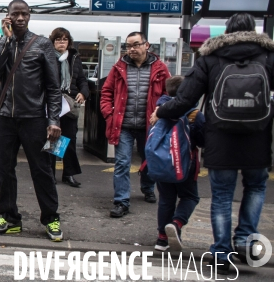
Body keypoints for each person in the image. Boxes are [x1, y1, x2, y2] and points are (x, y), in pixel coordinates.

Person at [154, 13, 274, 273]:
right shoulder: (267, 57)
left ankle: (221, 252)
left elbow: (185, 100)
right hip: (257, 136)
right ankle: (244, 240)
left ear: (226, 32)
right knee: (255, 187)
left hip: (220, 137)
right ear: (254, 31)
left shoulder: (209, 58)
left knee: (221, 196)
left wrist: (160, 112)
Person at [0, 0, 63, 242]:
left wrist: (54, 120)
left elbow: (53, 87)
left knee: (42, 170)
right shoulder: (0, 43)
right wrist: (7, 42)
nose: (20, 18)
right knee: (4, 170)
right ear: (7, 16)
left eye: (24, 14)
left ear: (30, 16)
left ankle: (51, 218)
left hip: (35, 119)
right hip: (6, 118)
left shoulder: (42, 45)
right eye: (15, 14)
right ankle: (10, 218)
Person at [100, 31, 170, 218]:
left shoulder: (160, 69)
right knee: (122, 162)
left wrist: (160, 112)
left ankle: (147, 187)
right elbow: (106, 92)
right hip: (123, 125)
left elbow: (168, 95)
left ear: (146, 45)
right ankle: (121, 201)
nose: (132, 49)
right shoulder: (118, 68)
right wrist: (109, 114)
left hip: (150, 125)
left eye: (136, 44)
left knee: (149, 160)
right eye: (129, 46)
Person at [150, 75, 203, 252]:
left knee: (166, 198)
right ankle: (177, 222)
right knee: (190, 196)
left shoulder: (159, 110)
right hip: (185, 163)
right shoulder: (194, 114)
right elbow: (203, 140)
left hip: (162, 161)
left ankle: (162, 239)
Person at [49, 27, 90, 187]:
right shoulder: (47, 57)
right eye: (58, 39)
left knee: (69, 139)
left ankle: (69, 174)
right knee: (52, 139)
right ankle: (50, 174)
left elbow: (82, 79)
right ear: (53, 42)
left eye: (64, 39)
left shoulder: (74, 58)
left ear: (69, 42)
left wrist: (83, 93)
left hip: (69, 102)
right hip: (52, 102)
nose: (61, 42)